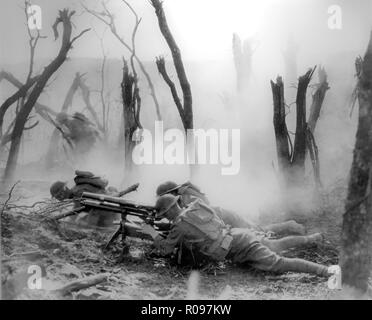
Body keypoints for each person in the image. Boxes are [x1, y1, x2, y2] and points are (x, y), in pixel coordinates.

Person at [142, 194, 334, 277]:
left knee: (278, 263)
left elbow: (166, 249)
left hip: (239, 246)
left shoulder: (180, 225)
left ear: (168, 212)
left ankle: (327, 272)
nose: (165, 218)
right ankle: (312, 238)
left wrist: (151, 233)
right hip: (237, 235)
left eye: (164, 214)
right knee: (276, 244)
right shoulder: (195, 207)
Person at [156, 181, 305, 236]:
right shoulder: (183, 197)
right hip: (222, 218)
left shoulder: (186, 196)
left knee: (259, 230)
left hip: (225, 217)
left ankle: (290, 225)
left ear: (171, 194)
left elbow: (202, 215)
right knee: (257, 231)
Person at [50, 170, 119, 227]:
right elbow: (76, 209)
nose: (58, 199)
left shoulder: (78, 192)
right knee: (82, 221)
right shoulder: (76, 191)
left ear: (62, 192)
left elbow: (76, 212)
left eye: (57, 196)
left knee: (85, 225)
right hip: (109, 208)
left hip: (108, 210)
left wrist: (65, 224)